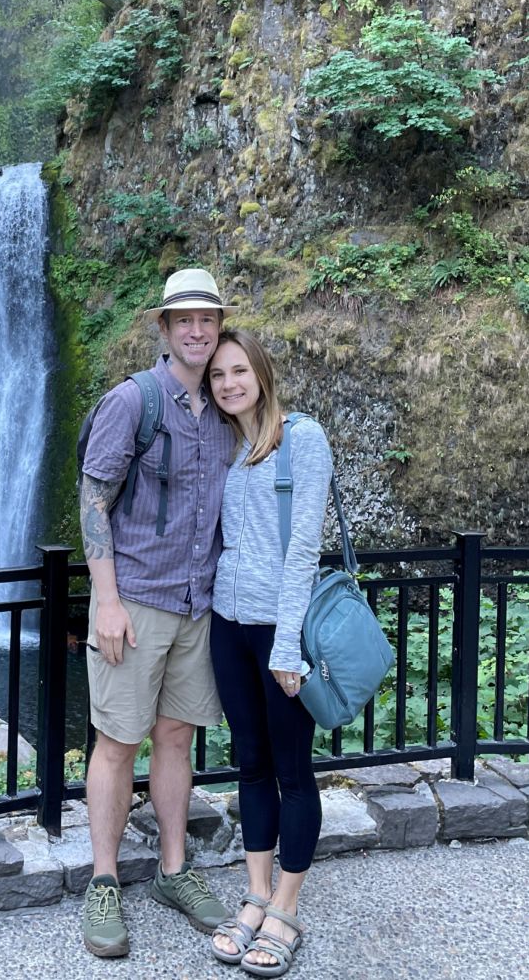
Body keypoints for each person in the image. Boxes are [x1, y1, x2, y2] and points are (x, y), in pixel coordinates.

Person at [79, 268, 238, 959]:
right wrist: (106, 602)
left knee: (175, 738)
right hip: (135, 600)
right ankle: (104, 880)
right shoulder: (133, 401)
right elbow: (93, 500)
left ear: (217, 326)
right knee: (116, 742)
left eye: (206, 319)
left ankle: (174, 870)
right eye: (183, 321)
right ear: (164, 329)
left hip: (197, 603)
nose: (196, 331)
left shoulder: (230, 406)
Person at [206, 330, 332, 975]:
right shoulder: (230, 446)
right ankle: (254, 895)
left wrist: (287, 646)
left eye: (239, 371)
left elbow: (302, 549)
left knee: (291, 770)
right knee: (250, 763)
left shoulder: (300, 438)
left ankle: (285, 907)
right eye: (218, 376)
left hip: (279, 633)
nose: (229, 383)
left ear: (261, 371)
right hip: (226, 625)